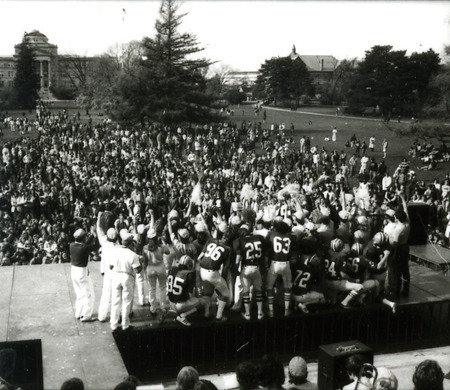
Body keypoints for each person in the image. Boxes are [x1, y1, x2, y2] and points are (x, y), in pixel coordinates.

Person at [110, 231, 143, 331]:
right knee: (126, 302)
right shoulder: (133, 254)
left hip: (116, 276)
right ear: (131, 243)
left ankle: (114, 324)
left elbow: (110, 266)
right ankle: (125, 324)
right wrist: (140, 262)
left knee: (115, 301)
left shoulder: (115, 251)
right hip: (127, 277)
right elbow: (137, 270)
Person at [234, 224, 266, 320]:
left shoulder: (240, 241)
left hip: (246, 267)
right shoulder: (258, 238)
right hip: (256, 267)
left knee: (246, 291)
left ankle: (247, 314)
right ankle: (260, 313)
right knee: (258, 290)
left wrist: (236, 269)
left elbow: (237, 259)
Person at [198, 234, 232, 321]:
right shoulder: (228, 249)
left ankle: (206, 313)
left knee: (208, 292)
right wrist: (221, 279)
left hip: (202, 270)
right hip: (212, 272)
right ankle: (219, 316)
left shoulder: (211, 241)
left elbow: (199, 258)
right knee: (226, 293)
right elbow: (226, 267)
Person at [165, 255, 207, 326]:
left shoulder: (172, 270)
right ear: (188, 265)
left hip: (170, 301)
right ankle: (183, 315)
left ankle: (173, 311)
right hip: (179, 305)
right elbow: (190, 293)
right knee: (203, 301)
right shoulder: (189, 274)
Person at [266, 220, 294, 317]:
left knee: (269, 287)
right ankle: (286, 310)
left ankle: (271, 311)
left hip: (275, 263)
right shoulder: (290, 237)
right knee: (287, 287)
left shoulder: (271, 234)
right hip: (286, 264)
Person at [96, 212, 119, 322]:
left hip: (108, 272)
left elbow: (99, 230)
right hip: (118, 272)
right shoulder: (119, 246)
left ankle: (102, 316)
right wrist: (117, 225)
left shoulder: (104, 243)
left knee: (106, 294)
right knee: (117, 296)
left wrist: (99, 217)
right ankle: (116, 317)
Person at [69, 229, 96, 322]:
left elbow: (85, 244)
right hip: (82, 272)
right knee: (88, 294)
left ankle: (78, 313)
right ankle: (86, 315)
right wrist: (94, 235)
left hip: (73, 270)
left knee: (79, 293)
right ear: (83, 238)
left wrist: (91, 236)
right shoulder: (84, 248)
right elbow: (93, 246)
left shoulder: (71, 245)